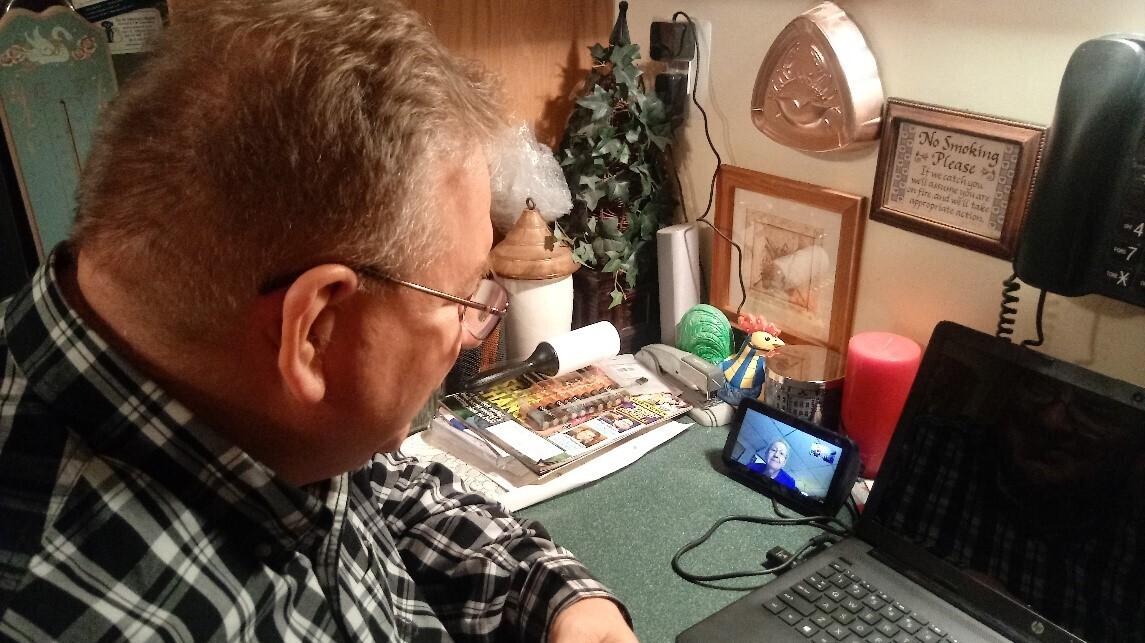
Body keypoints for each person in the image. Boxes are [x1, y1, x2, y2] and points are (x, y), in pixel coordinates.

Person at [0, 1, 637, 641]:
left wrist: (553, 595)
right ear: (315, 333)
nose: (474, 330)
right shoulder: (84, 610)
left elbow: (377, 490)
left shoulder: (237, 401)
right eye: (465, 297)